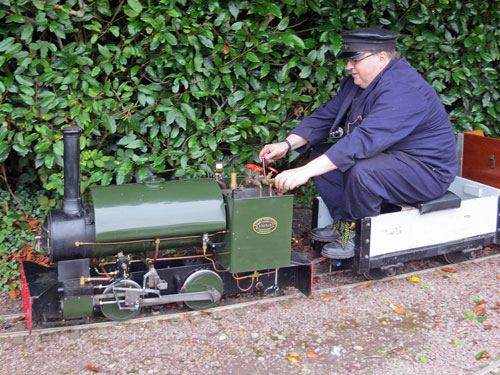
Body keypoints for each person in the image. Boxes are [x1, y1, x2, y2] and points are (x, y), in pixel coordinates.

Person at [258, 27, 458, 259]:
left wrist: (304, 172)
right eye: (348, 60)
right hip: (391, 159)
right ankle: (344, 227)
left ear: (381, 57)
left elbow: (364, 141)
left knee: (362, 170)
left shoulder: (404, 90)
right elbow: (326, 116)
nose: (348, 66)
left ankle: (359, 237)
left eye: (355, 60)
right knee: (322, 155)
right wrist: (287, 145)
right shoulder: (359, 83)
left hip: (427, 172)